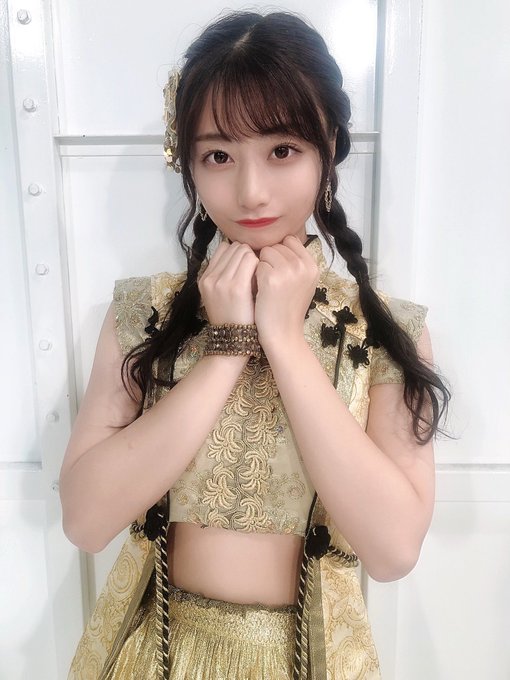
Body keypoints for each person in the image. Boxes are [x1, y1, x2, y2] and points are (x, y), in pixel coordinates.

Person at [61, 10, 449, 680]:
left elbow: (392, 552)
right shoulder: (142, 313)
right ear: (188, 162)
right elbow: (85, 522)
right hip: (157, 658)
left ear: (328, 147)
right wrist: (228, 347)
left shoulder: (384, 331)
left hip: (309, 662)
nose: (251, 191)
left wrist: (286, 342)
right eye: (218, 156)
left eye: (282, 150)